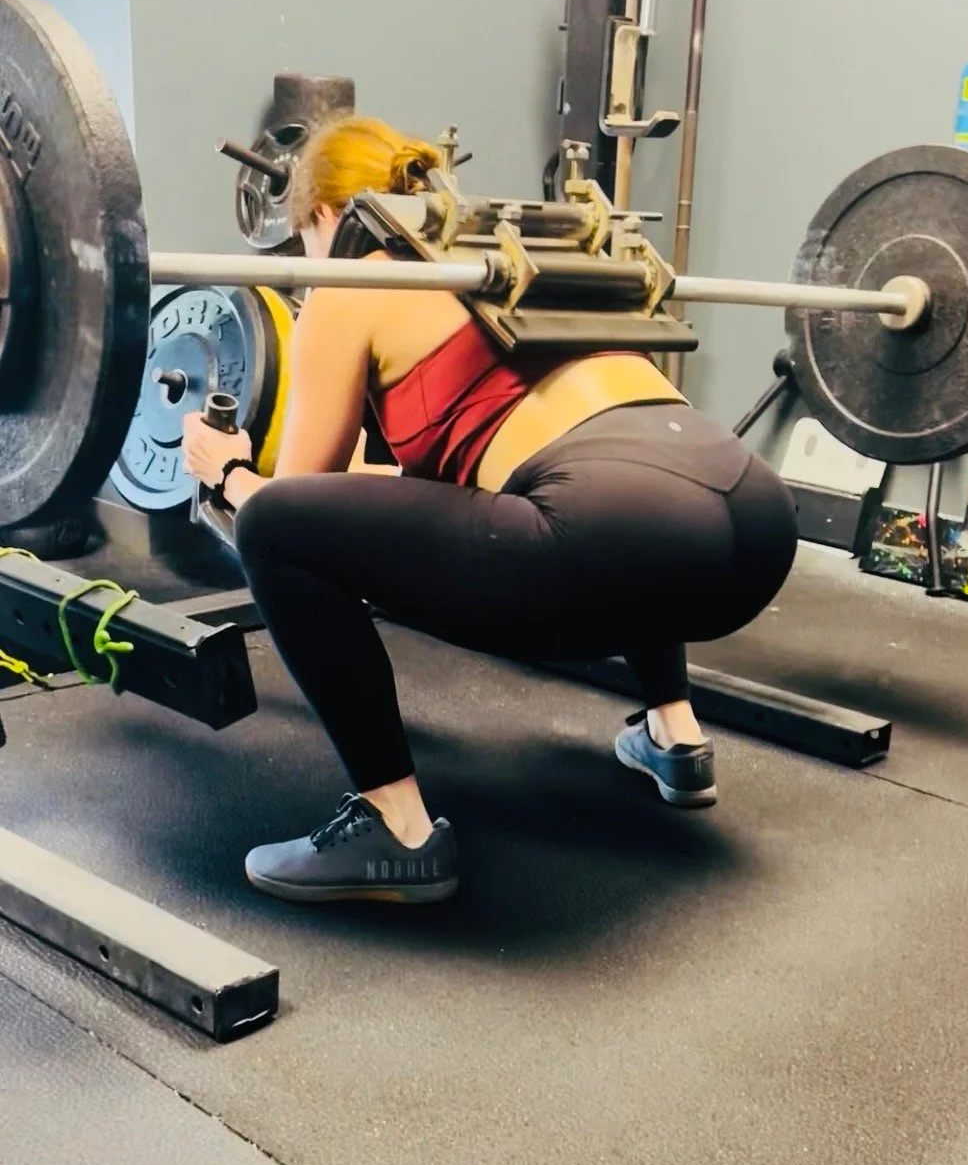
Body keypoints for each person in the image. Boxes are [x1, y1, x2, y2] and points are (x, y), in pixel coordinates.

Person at [183, 117, 798, 906]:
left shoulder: (358, 283)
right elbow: (460, 475)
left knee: (275, 528)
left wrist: (228, 470)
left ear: (325, 217)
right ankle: (675, 736)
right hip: (750, 513)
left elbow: (294, 501)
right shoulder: (517, 264)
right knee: (606, 498)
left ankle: (393, 825)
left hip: (606, 527)